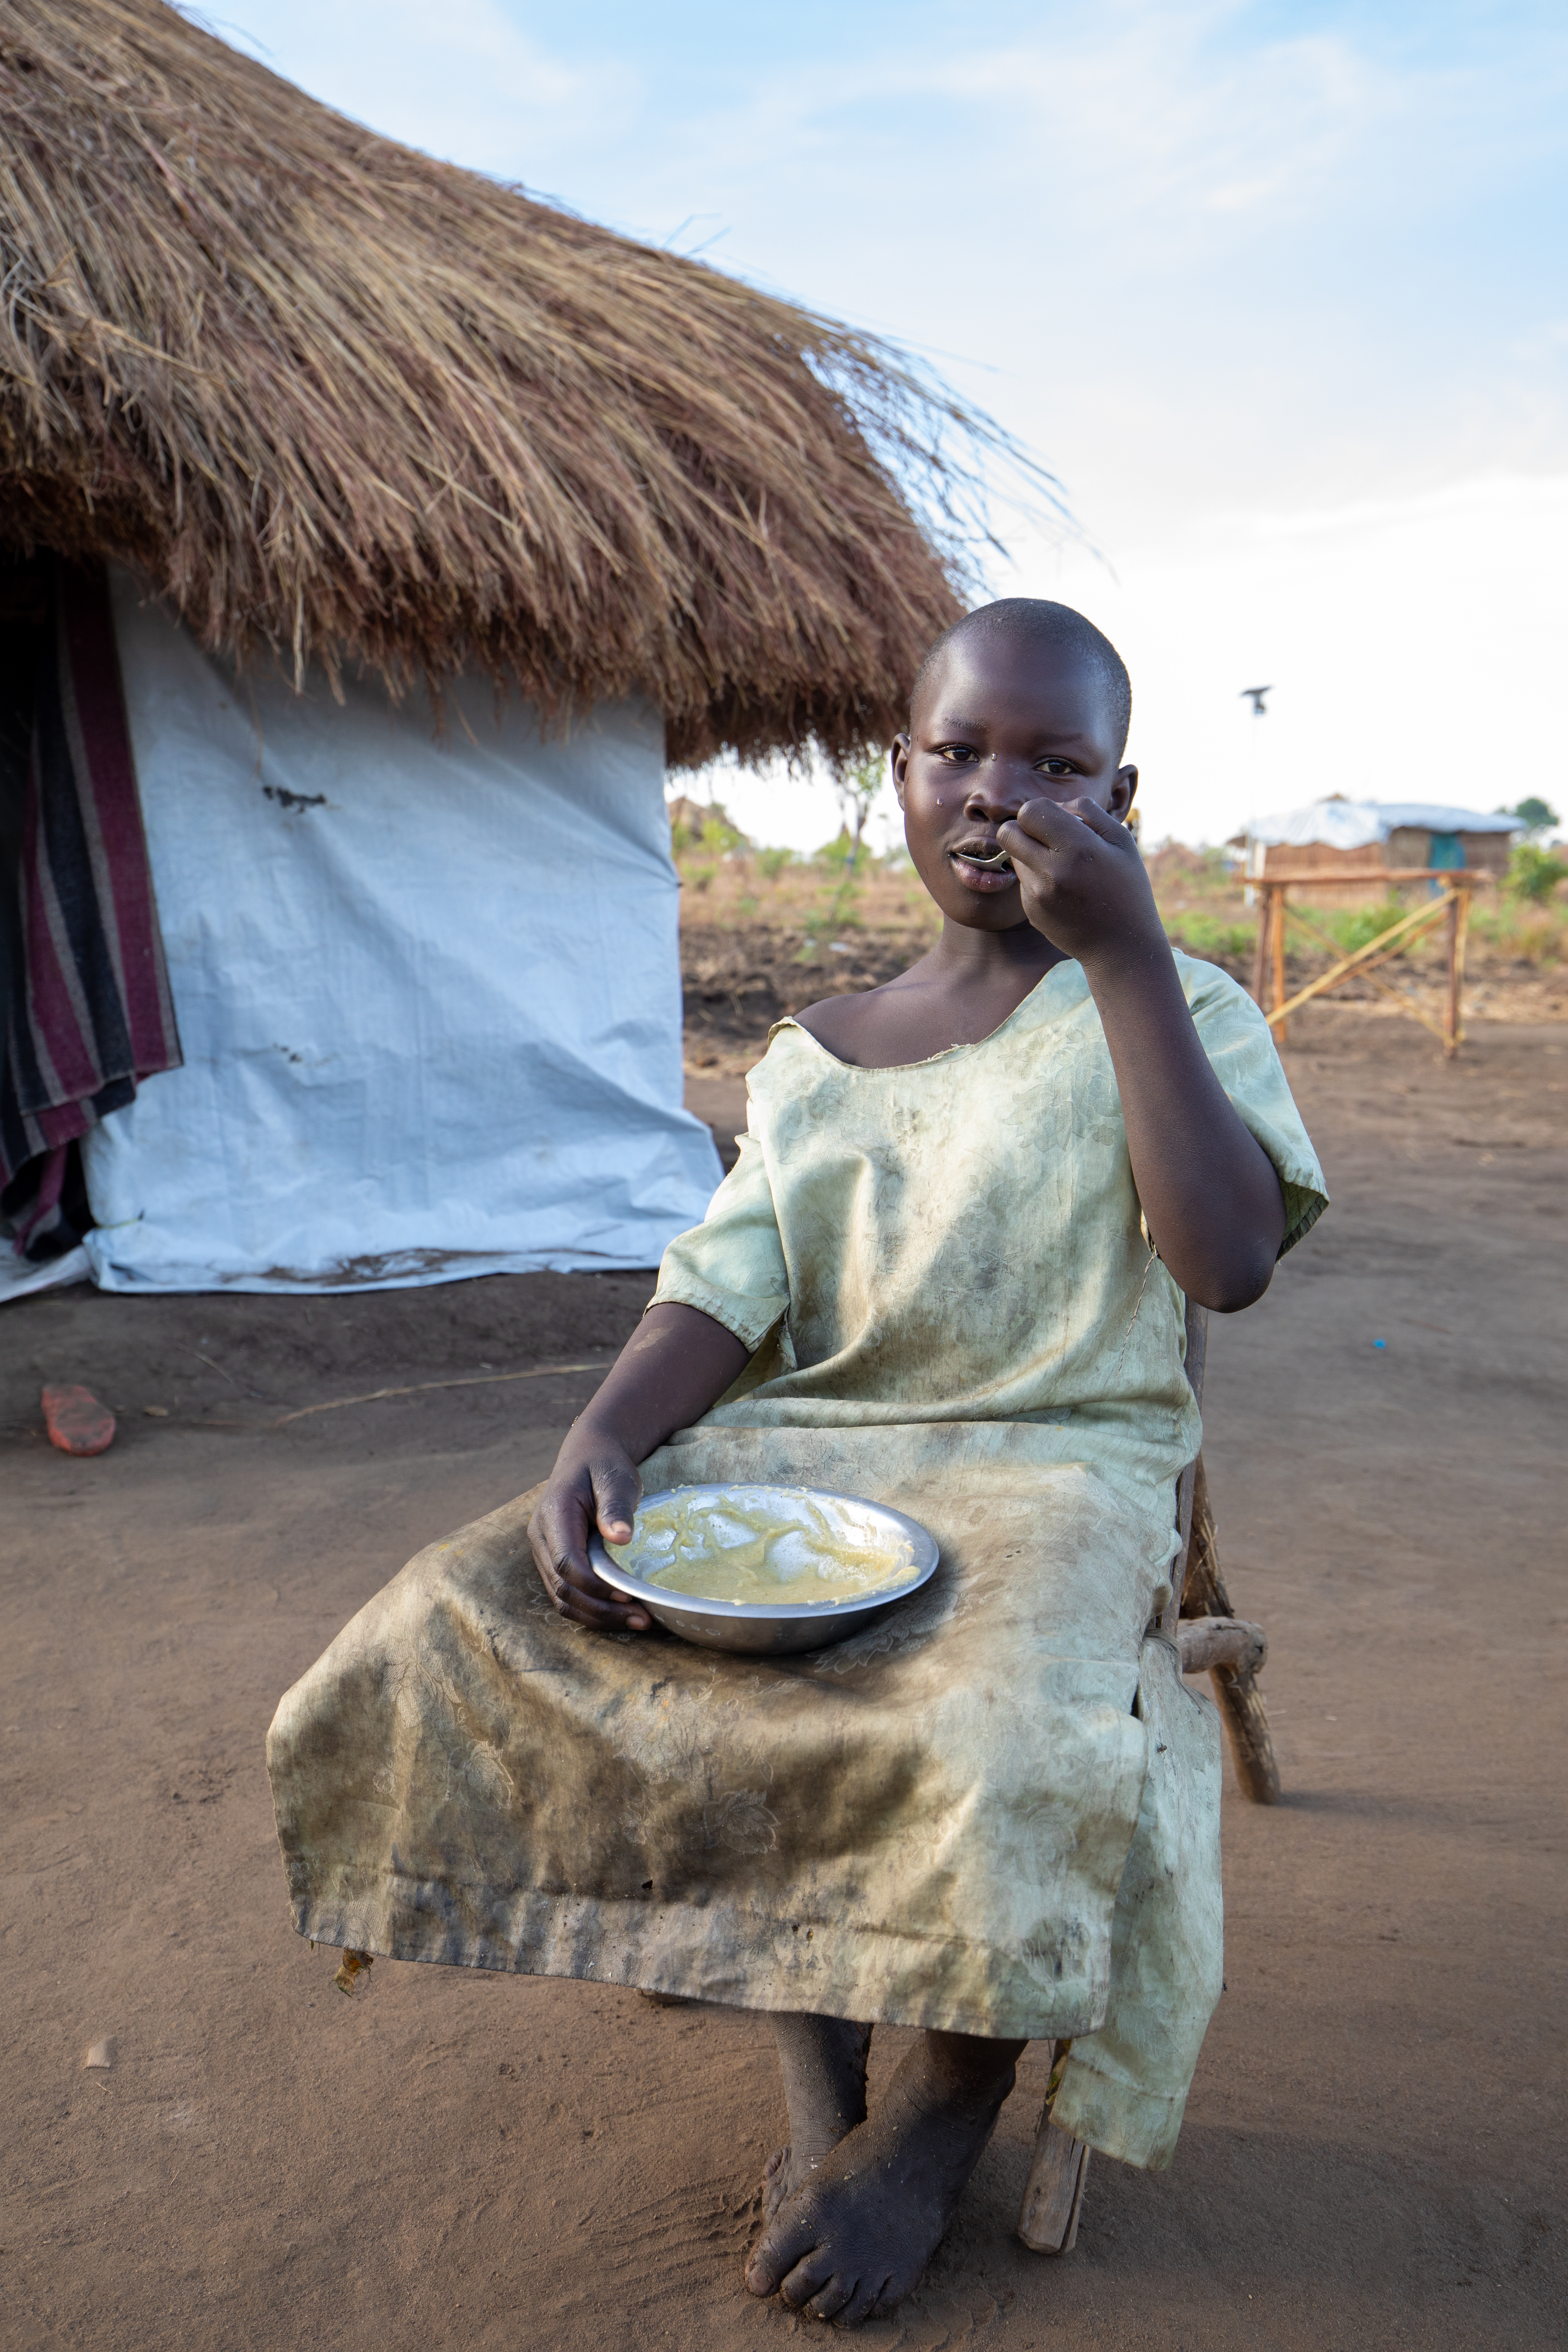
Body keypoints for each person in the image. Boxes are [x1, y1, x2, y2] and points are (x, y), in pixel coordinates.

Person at [267, 598, 1326, 2330]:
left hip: (1062, 1459)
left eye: (1054, 765)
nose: (999, 794)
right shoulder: (820, 1055)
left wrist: (1129, 957)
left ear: (1118, 798)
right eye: (960, 752)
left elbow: (1224, 1262)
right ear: (893, 780)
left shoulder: (1179, 1002)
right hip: (814, 1453)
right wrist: (604, 1431)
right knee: (497, 1617)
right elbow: (727, 1283)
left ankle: (930, 2118)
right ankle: (816, 2066)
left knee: (992, 1718)